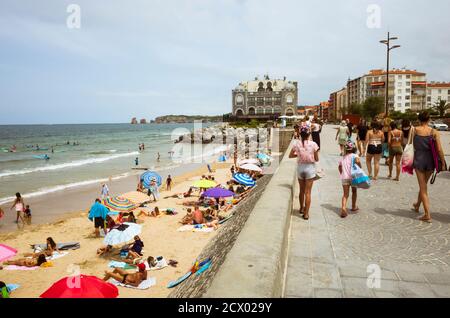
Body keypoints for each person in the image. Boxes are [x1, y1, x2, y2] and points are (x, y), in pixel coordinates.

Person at [412, 111, 447, 223]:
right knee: (424, 185)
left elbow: (408, 144)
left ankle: (427, 214)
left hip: (419, 159)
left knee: (423, 187)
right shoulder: (434, 131)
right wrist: (443, 161)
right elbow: (439, 149)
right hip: (431, 160)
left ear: (419, 120)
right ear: (429, 119)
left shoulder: (415, 130)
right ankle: (417, 205)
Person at [289, 126, 319, 220]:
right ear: (309, 134)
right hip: (310, 168)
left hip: (300, 168)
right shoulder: (313, 144)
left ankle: (301, 208)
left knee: (301, 190)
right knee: (308, 192)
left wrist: (298, 155)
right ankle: (306, 214)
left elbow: (290, 156)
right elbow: (317, 159)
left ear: (300, 134)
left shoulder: (296, 144)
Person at [338, 141, 360, 218]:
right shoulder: (355, 155)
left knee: (345, 194)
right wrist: (359, 166)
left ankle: (343, 208)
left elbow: (340, 167)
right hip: (353, 177)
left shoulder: (343, 158)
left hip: (344, 177)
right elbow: (357, 161)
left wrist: (341, 173)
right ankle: (353, 206)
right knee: (354, 191)